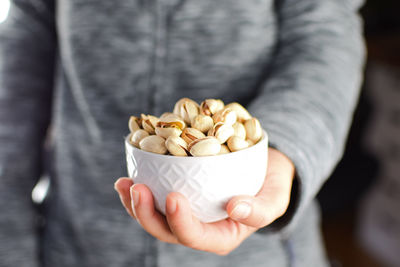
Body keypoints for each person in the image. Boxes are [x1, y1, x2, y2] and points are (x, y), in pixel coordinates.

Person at [0, 0, 365, 266]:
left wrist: (282, 152)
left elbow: (324, 30)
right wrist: (10, 242)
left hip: (259, 248)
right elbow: (24, 42)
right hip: (79, 242)